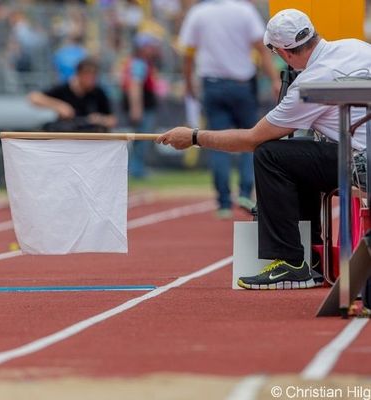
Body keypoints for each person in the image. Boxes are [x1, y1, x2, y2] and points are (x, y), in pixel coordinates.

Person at [157, 8, 371, 290]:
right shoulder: (355, 46)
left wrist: (194, 136)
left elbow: (251, 139)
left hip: (360, 163)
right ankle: (312, 253)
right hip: (357, 155)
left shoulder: (308, 84)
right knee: (296, 154)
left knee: (271, 155)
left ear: (282, 51)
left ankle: (291, 262)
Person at [179, 0, 280, 218]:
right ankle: (244, 191)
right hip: (242, 84)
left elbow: (187, 54)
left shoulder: (198, 13)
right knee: (252, 138)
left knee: (215, 141)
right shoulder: (244, 11)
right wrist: (274, 79)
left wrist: (188, 84)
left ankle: (223, 202)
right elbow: (261, 48)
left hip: (212, 84)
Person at [28, 58, 116, 132]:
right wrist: (59, 106)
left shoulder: (98, 92)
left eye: (93, 76)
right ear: (79, 74)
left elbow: (112, 120)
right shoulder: (63, 89)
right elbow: (34, 97)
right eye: (87, 75)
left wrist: (100, 120)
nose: (91, 80)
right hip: (67, 137)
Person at [121, 32, 161, 178]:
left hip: (144, 107)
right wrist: (136, 108)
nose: (153, 49)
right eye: (150, 46)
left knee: (139, 141)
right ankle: (136, 170)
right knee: (141, 141)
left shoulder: (138, 62)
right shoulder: (139, 63)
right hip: (143, 108)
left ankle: (136, 169)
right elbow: (135, 86)